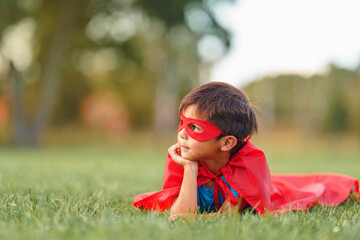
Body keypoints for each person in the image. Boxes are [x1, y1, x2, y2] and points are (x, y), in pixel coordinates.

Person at [133, 82, 359, 219]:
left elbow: (222, 218)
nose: (182, 133)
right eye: (182, 123)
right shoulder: (185, 157)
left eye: (195, 128)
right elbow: (179, 214)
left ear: (226, 143)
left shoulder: (246, 168)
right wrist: (190, 169)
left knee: (309, 191)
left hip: (267, 188)